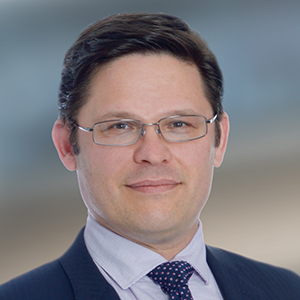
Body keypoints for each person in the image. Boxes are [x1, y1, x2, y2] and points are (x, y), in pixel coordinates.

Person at [0, 12, 299, 300]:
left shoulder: (286, 291)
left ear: (219, 140)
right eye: (119, 126)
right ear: (67, 145)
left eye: (179, 124)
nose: (153, 154)